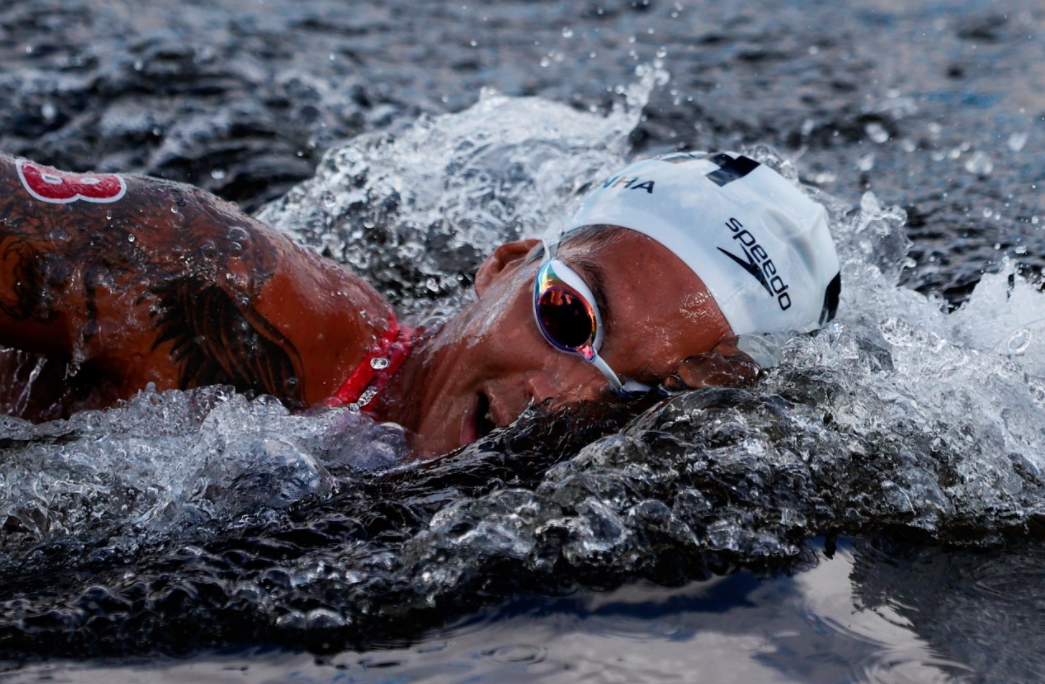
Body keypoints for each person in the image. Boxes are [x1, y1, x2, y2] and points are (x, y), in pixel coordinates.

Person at [0, 151, 840, 457]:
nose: (561, 396)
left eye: (640, 394)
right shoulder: (227, 286)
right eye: (569, 317)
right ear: (505, 266)